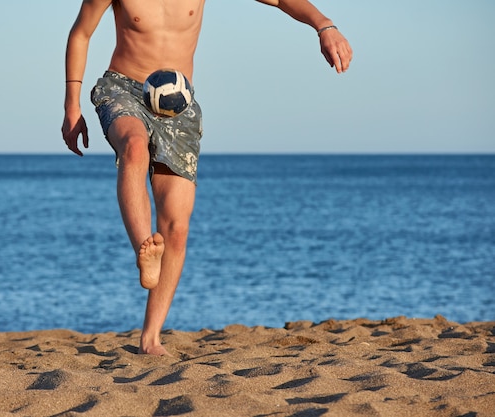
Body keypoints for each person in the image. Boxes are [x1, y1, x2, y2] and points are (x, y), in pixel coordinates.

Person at [61, 0, 352, 356]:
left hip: (177, 105)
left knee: (177, 227)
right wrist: (71, 106)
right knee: (134, 147)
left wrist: (324, 25)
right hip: (123, 89)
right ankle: (144, 248)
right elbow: (81, 33)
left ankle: (151, 338)